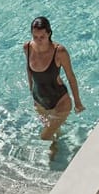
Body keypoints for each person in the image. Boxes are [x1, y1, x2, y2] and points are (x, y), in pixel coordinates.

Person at [24, 16, 84, 155]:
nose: (38, 41)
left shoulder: (59, 52)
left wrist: (78, 102)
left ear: (49, 33)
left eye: (42, 37)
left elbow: (71, 77)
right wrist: (31, 90)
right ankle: (57, 151)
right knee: (53, 131)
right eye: (35, 36)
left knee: (44, 136)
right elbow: (28, 69)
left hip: (60, 101)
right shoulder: (27, 47)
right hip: (39, 101)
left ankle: (56, 153)